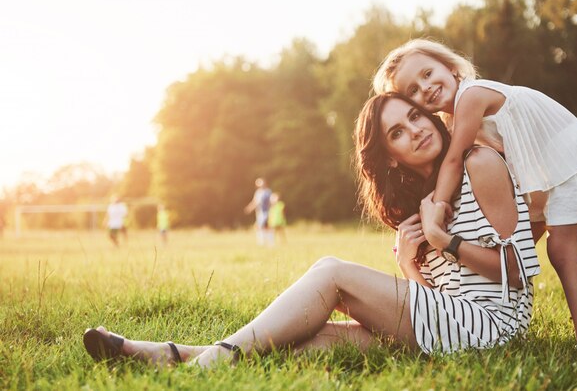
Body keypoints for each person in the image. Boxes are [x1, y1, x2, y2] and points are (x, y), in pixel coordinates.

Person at [83, 93, 539, 368]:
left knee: (331, 271)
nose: (414, 130)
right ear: (392, 157)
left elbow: (518, 272)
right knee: (308, 341)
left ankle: (208, 365)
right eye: (397, 133)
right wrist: (408, 263)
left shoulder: (480, 164)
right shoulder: (421, 205)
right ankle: (167, 356)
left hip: (495, 329)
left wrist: (446, 242)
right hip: (457, 329)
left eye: (415, 117)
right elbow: (439, 302)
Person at [373, 38, 577, 342]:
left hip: (561, 158)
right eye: (413, 90)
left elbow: (455, 159)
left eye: (428, 74)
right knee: (517, 246)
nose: (425, 87)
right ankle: (489, 307)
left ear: (449, 65)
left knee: (561, 251)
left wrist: (437, 207)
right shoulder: (450, 117)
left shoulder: (471, 96)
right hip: (536, 172)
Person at [244, 178, 272, 246]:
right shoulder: (258, 192)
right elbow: (255, 201)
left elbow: (270, 202)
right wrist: (249, 207)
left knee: (260, 226)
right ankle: (267, 242)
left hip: (266, 211)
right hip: (259, 212)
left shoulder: (267, 192)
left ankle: (264, 242)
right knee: (263, 227)